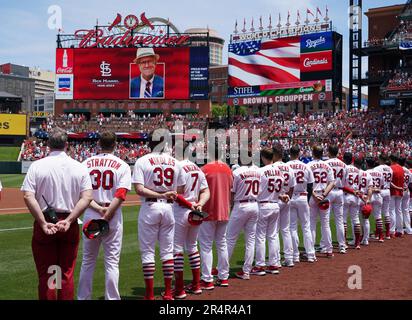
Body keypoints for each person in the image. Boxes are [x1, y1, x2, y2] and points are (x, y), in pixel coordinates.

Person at [21, 128, 93, 300]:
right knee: (65, 274)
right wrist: (69, 220)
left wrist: (42, 222)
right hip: (69, 223)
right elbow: (87, 197)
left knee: (48, 274)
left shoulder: (37, 166)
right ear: (66, 145)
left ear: (48, 144)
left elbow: (27, 195)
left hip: (46, 222)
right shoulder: (79, 167)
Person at [77, 131, 132, 300]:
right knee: (112, 262)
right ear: (115, 144)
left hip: (91, 212)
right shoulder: (122, 165)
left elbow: (82, 194)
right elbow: (121, 194)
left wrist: (98, 209)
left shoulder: (85, 163)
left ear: (99, 144)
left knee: (88, 261)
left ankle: (83, 298)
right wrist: (107, 214)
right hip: (112, 214)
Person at [132, 134, 179, 300]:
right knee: (167, 252)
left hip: (150, 206)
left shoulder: (142, 160)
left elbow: (139, 189)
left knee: (148, 252)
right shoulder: (174, 161)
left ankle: (150, 295)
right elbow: (179, 189)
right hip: (169, 209)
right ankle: (167, 293)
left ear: (149, 143)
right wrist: (167, 194)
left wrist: (161, 194)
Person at [172, 141, 210, 299]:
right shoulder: (197, 168)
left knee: (177, 250)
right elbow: (206, 191)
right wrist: (199, 204)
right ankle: (196, 285)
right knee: (193, 247)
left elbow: (177, 193)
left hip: (181, 211)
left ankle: (179, 289)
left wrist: (189, 204)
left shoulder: (177, 167)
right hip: (195, 212)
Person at [199, 143, 233, 290]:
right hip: (224, 210)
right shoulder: (228, 169)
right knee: (222, 243)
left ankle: (207, 279)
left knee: (206, 246)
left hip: (208, 211)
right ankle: (224, 277)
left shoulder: (204, 169)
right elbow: (232, 190)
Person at [227, 151, 260, 280]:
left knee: (229, 239)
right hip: (254, 204)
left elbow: (232, 193)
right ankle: (246, 271)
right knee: (250, 240)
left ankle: (222, 269)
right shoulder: (258, 172)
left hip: (240, 205)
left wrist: (229, 207)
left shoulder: (236, 172)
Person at [288, 145, 316, 262]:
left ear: (290, 154)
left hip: (290, 197)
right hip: (303, 196)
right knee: (306, 227)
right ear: (299, 153)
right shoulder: (306, 166)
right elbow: (310, 185)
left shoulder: (286, 166)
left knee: (292, 227)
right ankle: (310, 255)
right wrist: (308, 199)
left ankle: (295, 255)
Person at [308, 145, 335, 257]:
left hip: (313, 196)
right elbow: (332, 182)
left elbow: (307, 184)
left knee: (312, 224)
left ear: (313, 153)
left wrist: (314, 195)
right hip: (324, 196)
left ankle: (311, 250)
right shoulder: (327, 165)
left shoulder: (308, 165)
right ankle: (329, 250)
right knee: (325, 224)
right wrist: (323, 195)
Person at [273, 144, 295, 267]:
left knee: (274, 232)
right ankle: (289, 259)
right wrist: (288, 198)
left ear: (274, 154)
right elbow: (292, 187)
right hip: (287, 199)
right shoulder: (289, 168)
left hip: (275, 200)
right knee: (286, 230)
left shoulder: (271, 167)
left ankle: (275, 260)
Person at [325, 145, 347, 254]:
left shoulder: (326, 163)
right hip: (340, 192)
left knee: (326, 220)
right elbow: (345, 180)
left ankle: (325, 246)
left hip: (329, 191)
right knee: (339, 220)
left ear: (329, 152)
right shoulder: (343, 164)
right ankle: (342, 245)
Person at [365, 157, 385, 243]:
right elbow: (382, 186)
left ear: (367, 163)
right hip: (378, 195)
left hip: (369, 195)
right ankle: (380, 237)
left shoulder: (366, 172)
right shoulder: (379, 173)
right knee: (378, 216)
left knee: (366, 217)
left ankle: (366, 237)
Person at [375, 154, 393, 239]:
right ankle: (388, 234)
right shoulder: (390, 168)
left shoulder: (377, 168)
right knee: (386, 212)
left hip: (380, 190)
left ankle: (379, 234)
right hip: (388, 190)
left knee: (377, 213)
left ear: (381, 159)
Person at [389, 154, 405, 237]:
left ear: (391, 159)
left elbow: (389, 182)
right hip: (400, 190)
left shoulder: (391, 168)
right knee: (399, 211)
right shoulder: (401, 168)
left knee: (392, 210)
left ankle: (392, 231)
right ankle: (400, 230)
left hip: (393, 191)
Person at [399, 157, 412, 234]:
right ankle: (408, 228)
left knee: (399, 210)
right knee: (406, 210)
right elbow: (410, 182)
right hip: (407, 190)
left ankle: (400, 229)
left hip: (400, 190)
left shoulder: (399, 169)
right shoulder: (408, 171)